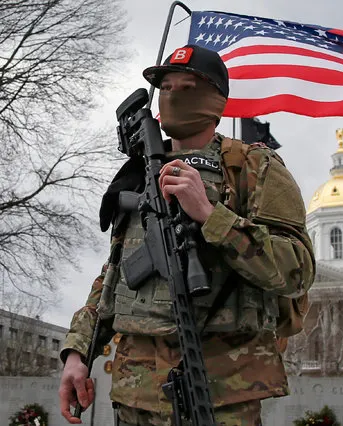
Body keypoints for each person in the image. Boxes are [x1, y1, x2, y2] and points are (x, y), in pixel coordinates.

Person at [58, 44, 315, 426]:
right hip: (136, 392)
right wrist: (78, 352)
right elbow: (117, 274)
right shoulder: (139, 173)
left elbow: (297, 272)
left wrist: (212, 216)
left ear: (215, 100)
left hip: (219, 392)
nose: (174, 96)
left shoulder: (254, 168)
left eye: (188, 87)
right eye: (167, 87)